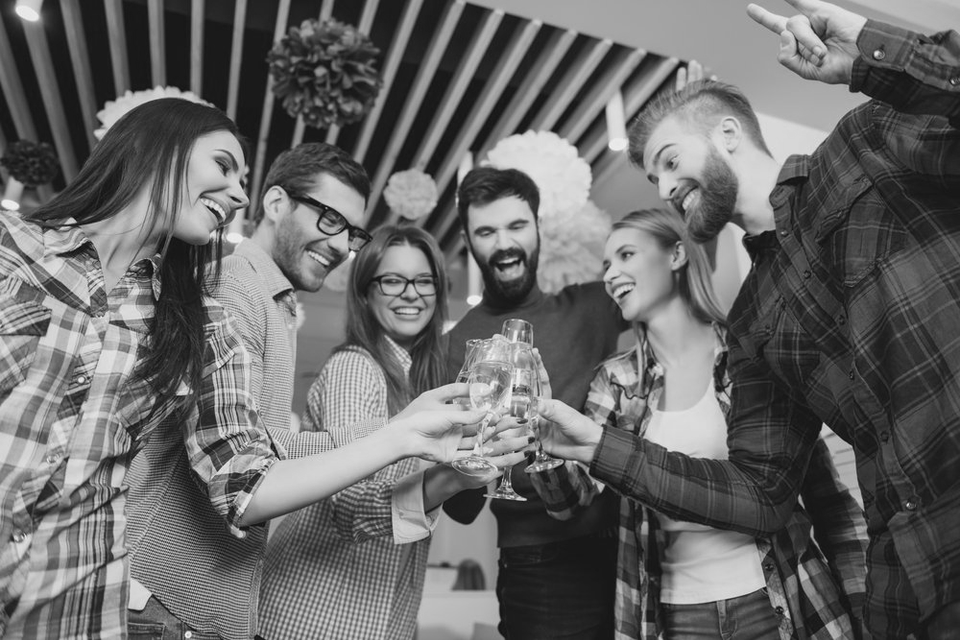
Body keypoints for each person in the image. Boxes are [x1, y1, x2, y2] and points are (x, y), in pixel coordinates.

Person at [537, 1, 960, 637]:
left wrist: (874, 51)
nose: (666, 187)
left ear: (729, 134)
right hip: (915, 585)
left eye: (672, 160)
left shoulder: (863, 148)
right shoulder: (753, 324)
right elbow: (760, 496)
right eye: (655, 178)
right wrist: (600, 447)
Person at [125, 143, 485, 640]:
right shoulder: (235, 288)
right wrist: (407, 437)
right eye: (330, 219)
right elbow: (242, 481)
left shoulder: (275, 304)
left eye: (352, 232)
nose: (342, 245)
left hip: (197, 609)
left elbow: (267, 446)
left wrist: (406, 430)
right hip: (168, 604)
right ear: (275, 204)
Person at [530, 209, 868, 639]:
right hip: (675, 612)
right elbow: (569, 503)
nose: (611, 275)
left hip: (777, 598)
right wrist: (544, 444)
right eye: (606, 265)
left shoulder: (749, 356)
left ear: (675, 254)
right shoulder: (616, 381)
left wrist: (865, 605)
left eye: (626, 255)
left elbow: (828, 498)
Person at [258, 225, 528, 639]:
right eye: (392, 280)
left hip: (379, 620)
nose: (411, 293)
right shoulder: (357, 368)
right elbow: (348, 507)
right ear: (365, 292)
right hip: (313, 618)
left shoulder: (418, 385)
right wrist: (454, 477)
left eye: (424, 281)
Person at [443, 166, 626, 639]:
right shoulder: (456, 345)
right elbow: (461, 509)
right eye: (486, 231)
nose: (503, 242)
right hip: (541, 568)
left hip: (634, 544)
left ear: (539, 229)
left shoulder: (595, 306)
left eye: (516, 226)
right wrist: (475, 444)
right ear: (468, 240)